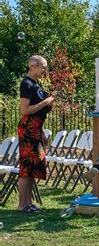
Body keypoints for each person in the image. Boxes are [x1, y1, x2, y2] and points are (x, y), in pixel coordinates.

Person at [18, 55, 54, 213]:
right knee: (26, 168)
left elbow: (38, 115)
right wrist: (45, 102)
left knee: (33, 166)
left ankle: (29, 203)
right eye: (43, 67)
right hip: (27, 129)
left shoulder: (35, 84)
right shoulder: (26, 84)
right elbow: (25, 110)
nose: (44, 70)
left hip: (35, 129)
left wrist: (42, 133)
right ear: (33, 66)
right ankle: (22, 205)